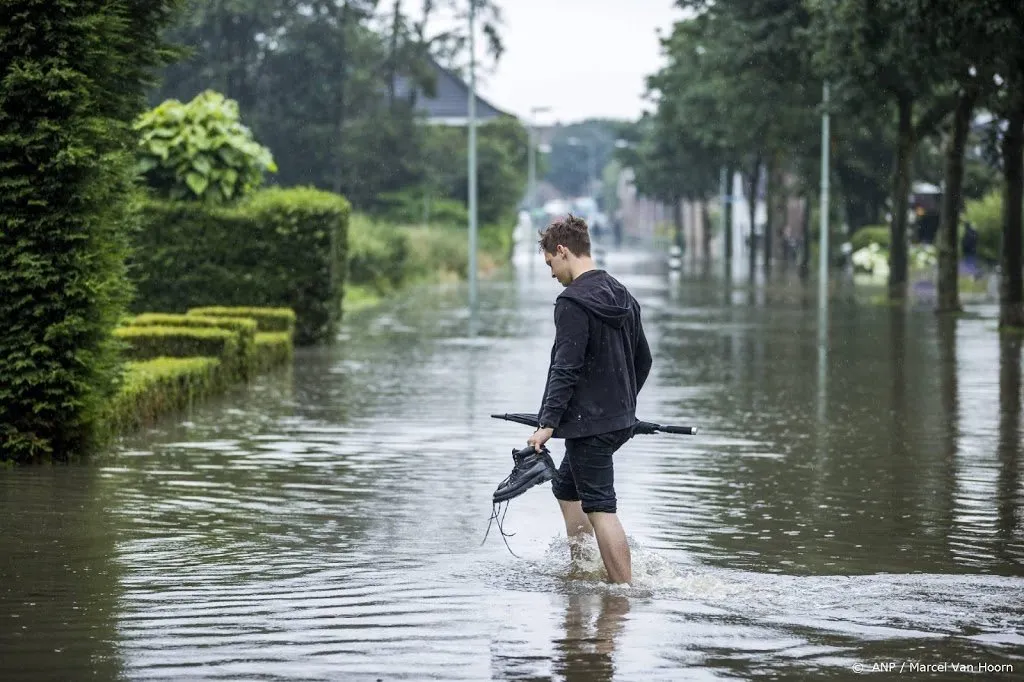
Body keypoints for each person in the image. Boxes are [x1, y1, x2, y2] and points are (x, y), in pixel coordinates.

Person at [526, 213, 652, 584]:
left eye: (550, 263)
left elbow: (565, 369)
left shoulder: (572, 302)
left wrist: (546, 425)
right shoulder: (623, 295)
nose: (551, 273)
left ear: (562, 251)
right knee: (567, 487)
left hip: (590, 427)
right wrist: (623, 407)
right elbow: (643, 360)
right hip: (615, 422)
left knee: (600, 507)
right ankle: (583, 568)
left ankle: (624, 592)